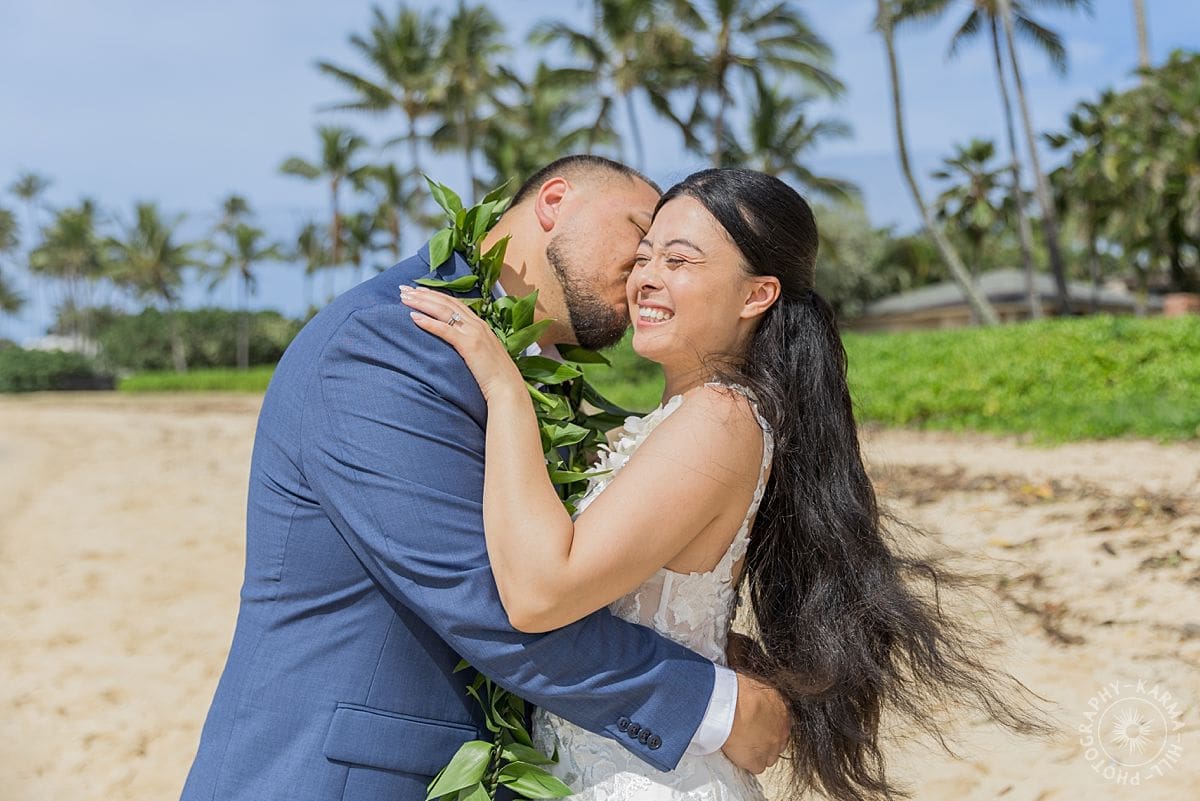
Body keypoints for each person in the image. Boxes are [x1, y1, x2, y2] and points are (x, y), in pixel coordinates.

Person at [401, 168, 1053, 801]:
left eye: (679, 261)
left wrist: (504, 388)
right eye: (644, 256)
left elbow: (542, 593)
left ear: (755, 295)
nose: (647, 278)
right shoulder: (684, 419)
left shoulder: (719, 417)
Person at [179, 156, 790, 801]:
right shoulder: (392, 341)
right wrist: (715, 705)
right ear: (554, 201)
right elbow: (482, 596)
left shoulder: (544, 370)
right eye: (641, 236)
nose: (644, 268)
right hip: (344, 776)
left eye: (673, 255)